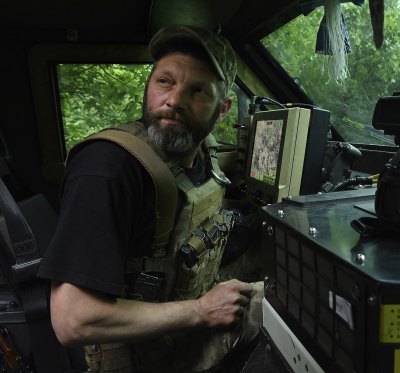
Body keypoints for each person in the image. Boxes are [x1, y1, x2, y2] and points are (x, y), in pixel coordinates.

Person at [37, 25, 263, 373]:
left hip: (179, 330)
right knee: (282, 306)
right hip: (141, 359)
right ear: (149, 86)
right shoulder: (109, 167)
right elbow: (73, 320)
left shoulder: (204, 152)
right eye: (165, 82)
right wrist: (202, 311)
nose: (174, 101)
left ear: (222, 111)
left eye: (198, 90)